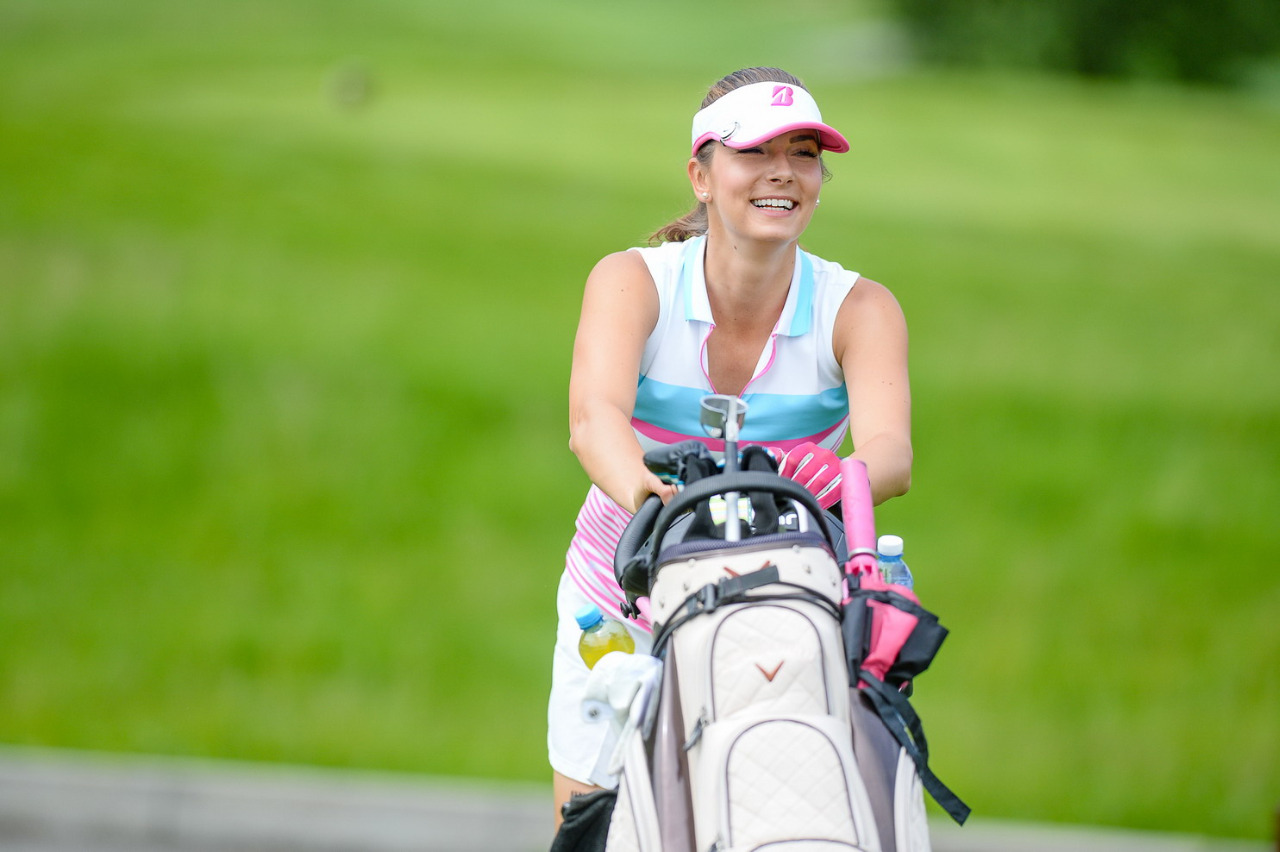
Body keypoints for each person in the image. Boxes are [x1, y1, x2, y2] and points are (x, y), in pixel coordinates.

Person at [548, 66, 912, 828]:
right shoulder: (632, 282)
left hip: (790, 610)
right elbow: (593, 420)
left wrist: (840, 472)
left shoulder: (860, 308)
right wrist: (656, 498)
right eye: (755, 152)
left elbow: (890, 453)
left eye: (804, 154)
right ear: (701, 176)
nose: (784, 172)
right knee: (593, 827)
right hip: (622, 607)